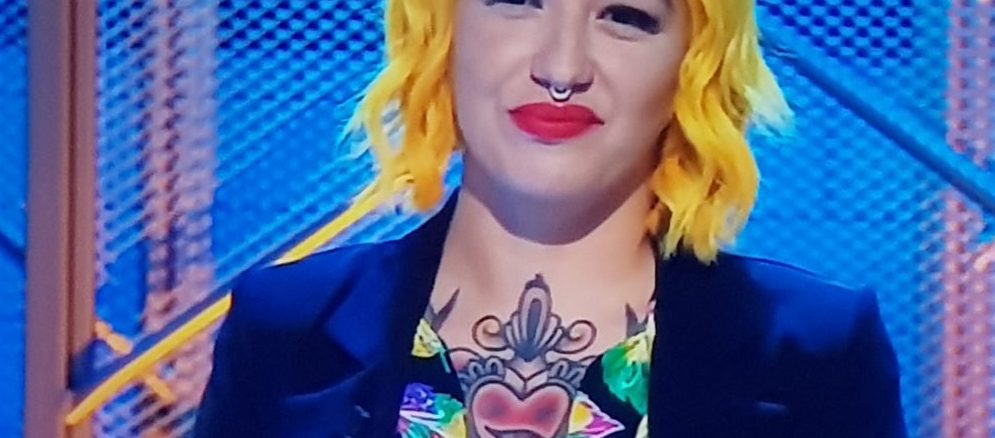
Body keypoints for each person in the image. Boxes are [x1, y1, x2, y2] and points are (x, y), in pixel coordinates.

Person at [195, 0, 907, 436]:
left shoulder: (813, 349)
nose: (561, 68)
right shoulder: (285, 327)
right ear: (441, 31)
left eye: (624, 16)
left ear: (693, 65)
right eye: (516, 0)